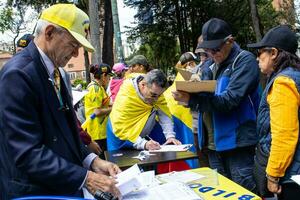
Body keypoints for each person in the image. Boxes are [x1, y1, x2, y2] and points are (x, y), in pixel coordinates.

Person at [0, 4, 121, 198]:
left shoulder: (55, 72)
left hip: (58, 185)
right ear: (49, 33)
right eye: (73, 45)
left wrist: (91, 161)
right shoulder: (18, 74)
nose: (75, 54)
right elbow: (27, 152)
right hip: (34, 192)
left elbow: (67, 130)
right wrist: (87, 178)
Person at [172, 18, 260, 192]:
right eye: (208, 50)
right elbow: (205, 99)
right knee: (220, 193)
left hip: (238, 145)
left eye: (216, 49)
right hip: (212, 145)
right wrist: (189, 95)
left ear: (230, 41)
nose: (212, 54)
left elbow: (229, 101)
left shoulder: (244, 61)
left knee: (243, 192)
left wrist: (193, 100)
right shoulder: (209, 66)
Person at [248, 25, 300, 199]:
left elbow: (284, 135)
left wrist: (273, 174)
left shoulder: (283, 82)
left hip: (291, 174)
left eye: (260, 52)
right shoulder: (295, 76)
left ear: (274, 53)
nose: (257, 59)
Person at [107, 69, 181, 151]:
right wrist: (144, 143)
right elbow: (120, 128)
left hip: (141, 138)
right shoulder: (127, 95)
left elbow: (164, 114)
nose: (156, 99)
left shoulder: (156, 92)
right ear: (143, 85)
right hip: (120, 138)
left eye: (159, 95)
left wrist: (170, 136)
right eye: (153, 95)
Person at [84, 63, 113, 155]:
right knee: (102, 159)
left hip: (101, 130)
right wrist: (113, 108)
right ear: (104, 76)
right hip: (97, 132)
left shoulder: (99, 87)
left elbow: (103, 104)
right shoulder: (95, 89)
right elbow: (97, 111)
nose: (110, 79)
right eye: (109, 76)